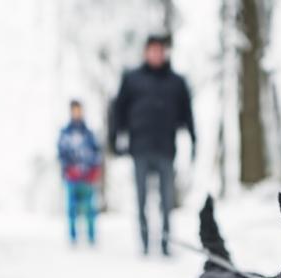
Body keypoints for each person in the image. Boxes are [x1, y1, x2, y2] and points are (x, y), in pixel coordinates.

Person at [112, 34, 196, 256]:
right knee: (141, 200)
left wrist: (194, 140)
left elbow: (187, 113)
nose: (156, 54)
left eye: (160, 50)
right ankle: (144, 242)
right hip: (139, 148)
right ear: (146, 52)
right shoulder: (132, 79)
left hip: (166, 149)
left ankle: (166, 243)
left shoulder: (176, 82)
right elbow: (118, 110)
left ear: (165, 53)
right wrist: (115, 139)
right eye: (152, 50)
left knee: (167, 201)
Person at [57, 100, 102, 246]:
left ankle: (91, 236)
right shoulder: (65, 134)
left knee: (90, 209)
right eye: (74, 110)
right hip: (72, 178)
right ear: (71, 111)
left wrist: (94, 170)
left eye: (79, 110)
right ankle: (73, 237)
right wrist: (68, 170)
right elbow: (61, 154)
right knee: (71, 209)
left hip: (88, 177)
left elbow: (97, 153)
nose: (77, 113)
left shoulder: (89, 134)